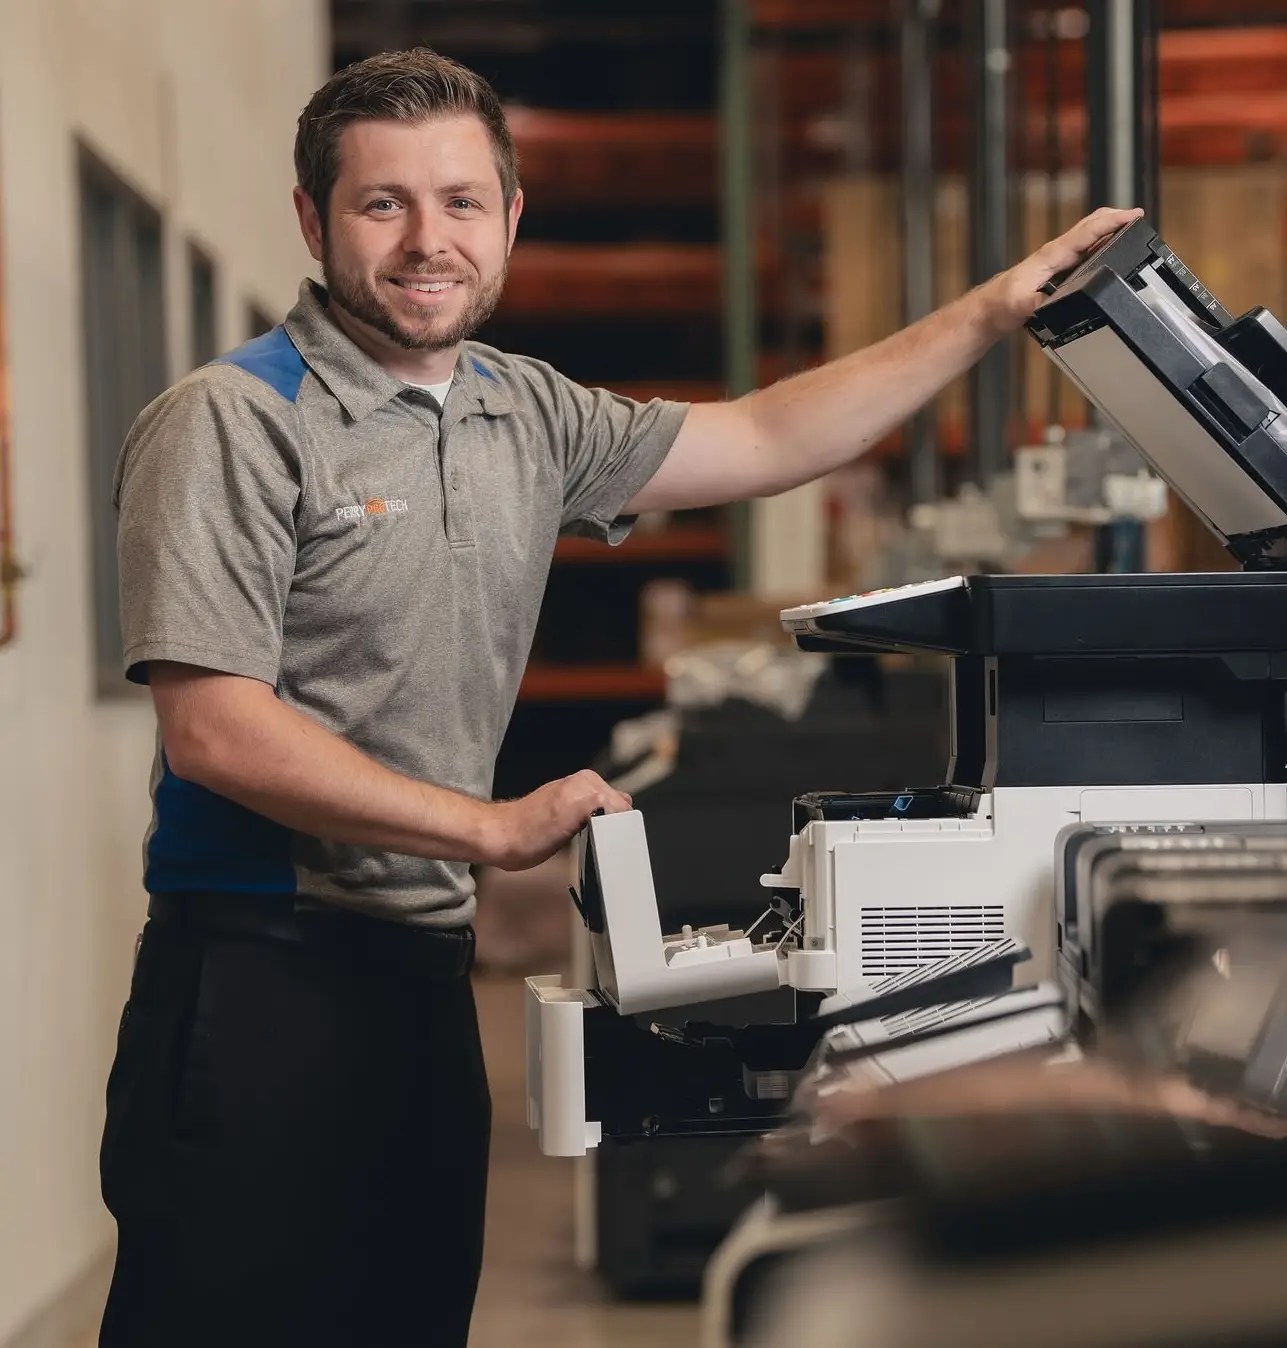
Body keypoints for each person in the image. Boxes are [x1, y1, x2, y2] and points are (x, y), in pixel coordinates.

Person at [97, 43, 1139, 1348]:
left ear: (512, 218)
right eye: (384, 204)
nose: (430, 240)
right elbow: (213, 728)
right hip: (257, 981)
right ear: (313, 219)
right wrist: (484, 827)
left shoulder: (520, 411)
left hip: (419, 984)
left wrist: (989, 317)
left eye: (463, 202)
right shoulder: (235, 421)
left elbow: (766, 436)